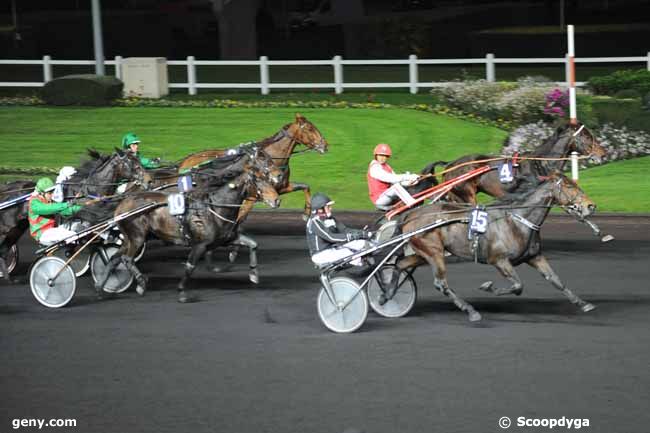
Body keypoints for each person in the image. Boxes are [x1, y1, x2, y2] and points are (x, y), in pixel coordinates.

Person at [306, 193, 374, 268]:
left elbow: (345, 230)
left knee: (363, 243)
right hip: (320, 255)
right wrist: (352, 236)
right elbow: (331, 237)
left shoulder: (330, 218)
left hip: (333, 249)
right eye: (328, 207)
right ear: (320, 210)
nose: (330, 208)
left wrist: (360, 233)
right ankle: (364, 270)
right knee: (350, 253)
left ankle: (371, 266)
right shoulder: (314, 222)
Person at [28, 177, 90, 246]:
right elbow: (49, 208)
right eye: (50, 193)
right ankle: (79, 246)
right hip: (42, 234)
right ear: (41, 193)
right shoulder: (34, 202)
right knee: (70, 234)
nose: (52, 195)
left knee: (76, 225)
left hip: (51, 230)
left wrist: (84, 207)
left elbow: (65, 211)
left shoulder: (49, 201)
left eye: (53, 191)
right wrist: (68, 203)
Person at [367, 143, 419, 210]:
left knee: (400, 186)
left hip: (387, 195)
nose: (382, 158)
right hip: (379, 199)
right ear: (376, 155)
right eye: (380, 155)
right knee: (396, 188)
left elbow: (396, 181)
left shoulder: (387, 166)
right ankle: (413, 204)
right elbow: (391, 179)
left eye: (385, 156)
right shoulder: (374, 167)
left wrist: (409, 182)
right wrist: (408, 176)